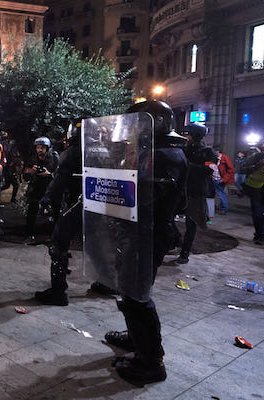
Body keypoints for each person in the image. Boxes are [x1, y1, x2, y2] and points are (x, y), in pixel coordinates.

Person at [105, 100, 188, 385]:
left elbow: (144, 195)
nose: (133, 129)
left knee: (136, 297)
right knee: (131, 289)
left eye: (138, 123)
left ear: (155, 124)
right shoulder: (156, 151)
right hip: (140, 230)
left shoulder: (163, 155)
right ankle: (135, 338)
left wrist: (112, 191)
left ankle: (151, 361)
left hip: (146, 232)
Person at [33, 122, 82, 306]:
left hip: (74, 204)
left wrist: (47, 199)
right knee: (100, 245)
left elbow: (59, 183)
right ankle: (106, 281)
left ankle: (58, 291)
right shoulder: (99, 151)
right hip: (95, 205)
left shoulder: (71, 153)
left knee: (59, 246)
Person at [175, 124, 216, 265]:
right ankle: (176, 240)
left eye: (188, 134)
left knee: (191, 223)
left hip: (195, 192)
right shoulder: (181, 148)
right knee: (167, 218)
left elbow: (209, 169)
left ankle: (185, 252)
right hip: (179, 190)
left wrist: (187, 165)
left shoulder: (207, 151)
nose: (185, 137)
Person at [22, 136, 59, 244]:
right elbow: (25, 175)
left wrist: (50, 174)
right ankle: (29, 234)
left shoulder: (54, 157)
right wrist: (31, 172)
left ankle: (56, 235)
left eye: (42, 147)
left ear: (47, 148)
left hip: (51, 187)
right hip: (36, 187)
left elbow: (60, 173)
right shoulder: (32, 158)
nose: (40, 150)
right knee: (32, 210)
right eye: (38, 147)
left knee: (56, 210)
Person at [212, 145, 234, 215]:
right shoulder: (214, 158)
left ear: (217, 151)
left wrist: (224, 179)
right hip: (215, 178)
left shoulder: (225, 158)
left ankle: (224, 208)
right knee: (221, 193)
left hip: (220, 179)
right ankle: (222, 207)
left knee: (221, 194)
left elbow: (230, 170)